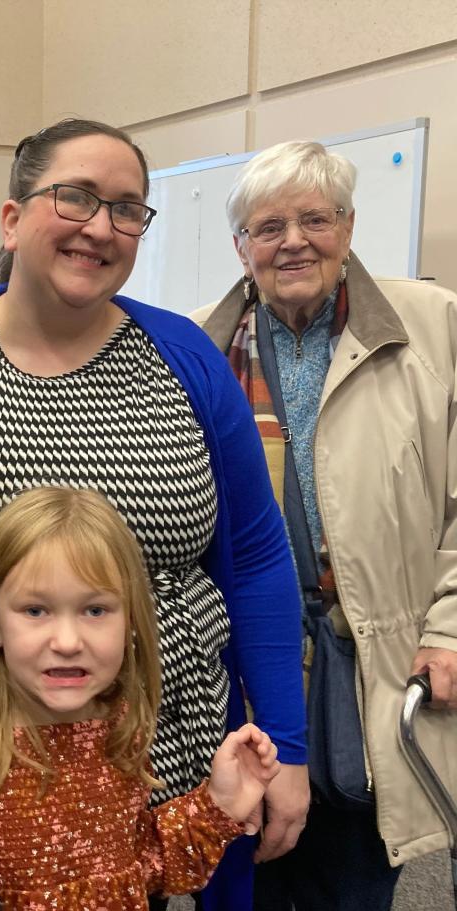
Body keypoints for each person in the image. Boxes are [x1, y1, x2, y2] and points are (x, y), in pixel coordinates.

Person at [0, 118, 308, 909]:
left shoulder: (185, 355)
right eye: (76, 197)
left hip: (184, 747)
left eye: (128, 208)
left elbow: (260, 557)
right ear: (13, 218)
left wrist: (288, 747)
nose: (102, 226)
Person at [194, 139, 457, 911]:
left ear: (348, 226)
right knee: (249, 857)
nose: (294, 241)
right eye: (269, 226)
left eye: (315, 218)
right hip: (242, 654)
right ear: (241, 245)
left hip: (376, 649)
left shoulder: (435, 327)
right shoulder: (200, 347)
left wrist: (448, 627)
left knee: (356, 865)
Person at [0, 486, 282, 910]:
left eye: (95, 610)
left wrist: (218, 804)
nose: (69, 641)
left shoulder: (120, 727)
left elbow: (140, 867)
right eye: (36, 611)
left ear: (130, 618)